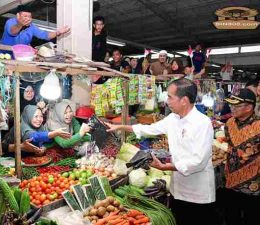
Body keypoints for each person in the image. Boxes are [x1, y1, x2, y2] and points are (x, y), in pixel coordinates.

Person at [106, 78, 215, 225]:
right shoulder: (173, 119)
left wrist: (165, 167)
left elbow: (198, 161)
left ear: (184, 100)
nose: (166, 101)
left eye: (170, 97)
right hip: (178, 188)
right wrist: (120, 127)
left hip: (197, 193)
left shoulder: (202, 123)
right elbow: (150, 129)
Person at [223, 89, 260, 225]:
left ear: (249, 107)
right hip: (231, 180)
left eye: (237, 105)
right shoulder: (229, 123)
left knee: (252, 218)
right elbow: (228, 146)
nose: (232, 108)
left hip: (253, 183)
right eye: (231, 105)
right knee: (231, 217)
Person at [0, 5, 70, 57]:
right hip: (4, 55)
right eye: (25, 16)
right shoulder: (11, 22)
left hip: (20, 57)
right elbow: (12, 32)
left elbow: (45, 35)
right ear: (18, 16)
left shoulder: (32, 27)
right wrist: (20, 24)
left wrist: (58, 32)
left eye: (30, 17)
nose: (28, 19)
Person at [2, 105, 70, 156]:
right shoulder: (22, 127)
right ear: (28, 116)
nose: (39, 119)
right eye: (36, 116)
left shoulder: (40, 127)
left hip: (27, 159)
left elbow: (46, 140)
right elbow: (34, 137)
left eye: (41, 116)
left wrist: (43, 148)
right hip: (11, 160)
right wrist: (55, 133)